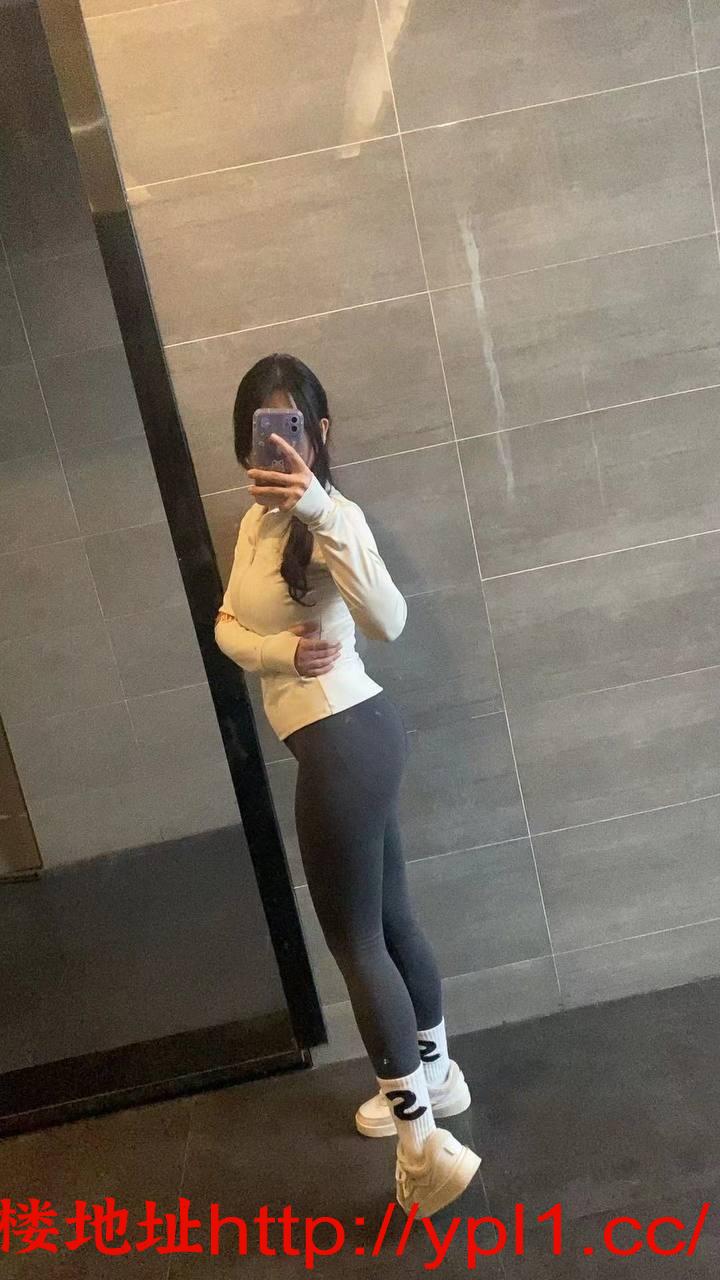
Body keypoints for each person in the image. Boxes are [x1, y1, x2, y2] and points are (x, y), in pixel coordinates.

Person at [214, 353, 481, 1217]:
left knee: (357, 941)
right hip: (351, 742)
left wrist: (321, 510)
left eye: (290, 426)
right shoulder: (252, 526)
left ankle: (420, 1147)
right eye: (261, 429)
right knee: (389, 920)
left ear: (319, 434)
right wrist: (278, 652)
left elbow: (389, 621)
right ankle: (436, 1079)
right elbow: (226, 627)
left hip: (344, 745)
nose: (277, 446)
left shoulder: (334, 518)